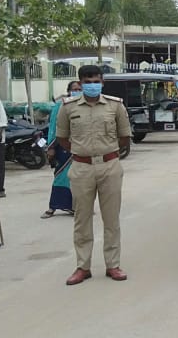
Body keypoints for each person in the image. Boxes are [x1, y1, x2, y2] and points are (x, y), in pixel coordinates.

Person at [56, 66, 131, 285]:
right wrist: (81, 152)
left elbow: (124, 136)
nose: (92, 84)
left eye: (96, 80)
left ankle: (113, 265)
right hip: (81, 168)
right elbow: (62, 138)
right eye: (88, 80)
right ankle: (82, 267)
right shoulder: (68, 107)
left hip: (109, 166)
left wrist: (108, 151)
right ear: (80, 82)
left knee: (111, 219)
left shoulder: (115, 105)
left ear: (102, 82)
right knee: (82, 219)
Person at [42, 81, 81, 219]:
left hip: (81, 148)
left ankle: (75, 207)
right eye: (74, 89)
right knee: (60, 177)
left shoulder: (85, 105)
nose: (77, 91)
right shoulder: (60, 105)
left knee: (80, 179)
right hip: (63, 147)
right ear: (69, 91)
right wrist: (51, 147)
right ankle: (53, 206)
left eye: (79, 89)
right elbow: (54, 126)